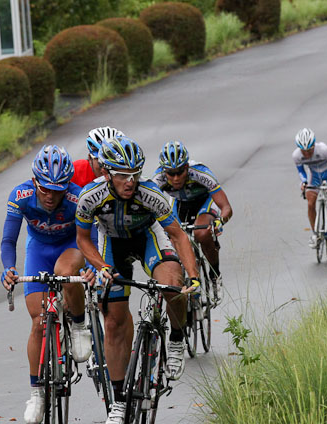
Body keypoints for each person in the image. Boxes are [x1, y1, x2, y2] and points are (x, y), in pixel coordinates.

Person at [75, 136, 199, 424]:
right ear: (106, 173)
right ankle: (118, 401)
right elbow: (82, 239)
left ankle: (178, 338)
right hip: (112, 244)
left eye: (135, 175)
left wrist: (192, 276)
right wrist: (101, 266)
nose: (129, 182)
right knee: (115, 322)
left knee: (172, 284)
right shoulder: (89, 196)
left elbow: (178, 235)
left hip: (147, 238)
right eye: (121, 176)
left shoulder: (151, 193)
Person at [0, 145, 93, 424]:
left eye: (58, 189)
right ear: (35, 181)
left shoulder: (78, 198)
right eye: (45, 189)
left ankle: (78, 324)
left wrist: (93, 269)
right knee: (39, 322)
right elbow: (8, 240)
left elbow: (92, 239)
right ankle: (37, 393)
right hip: (39, 249)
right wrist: (9, 269)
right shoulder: (21, 195)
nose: (51, 196)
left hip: (70, 246)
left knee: (66, 272)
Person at [152, 140, 233, 299]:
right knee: (173, 237)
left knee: (202, 233)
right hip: (179, 204)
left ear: (187, 167)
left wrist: (220, 221)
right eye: (170, 173)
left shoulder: (200, 173)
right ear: (164, 171)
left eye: (180, 172)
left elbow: (226, 208)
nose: (175, 178)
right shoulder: (158, 180)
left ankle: (214, 275)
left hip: (204, 202)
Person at [292, 128, 327, 249]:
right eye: (303, 151)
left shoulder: (323, 149)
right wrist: (304, 182)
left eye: (309, 150)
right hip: (314, 176)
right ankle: (316, 234)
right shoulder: (296, 156)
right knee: (310, 203)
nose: (306, 154)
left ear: (313, 145)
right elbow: (301, 172)